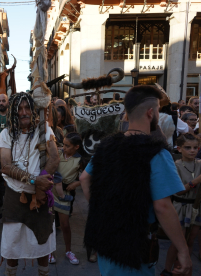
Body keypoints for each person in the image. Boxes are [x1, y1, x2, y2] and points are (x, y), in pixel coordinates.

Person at [80, 85, 192, 276]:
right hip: (133, 245)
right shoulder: (156, 152)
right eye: (157, 109)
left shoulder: (107, 145)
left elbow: (84, 178)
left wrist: (105, 210)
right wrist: (183, 250)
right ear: (150, 113)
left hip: (105, 240)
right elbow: (163, 207)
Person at [0, 92, 59, 276]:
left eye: (27, 108)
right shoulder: (6, 134)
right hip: (15, 197)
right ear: (13, 112)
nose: (23, 112)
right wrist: (34, 180)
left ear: (33, 110)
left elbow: (54, 158)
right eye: (19, 109)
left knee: (43, 240)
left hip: (39, 198)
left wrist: (41, 183)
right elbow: (6, 167)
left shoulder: (44, 129)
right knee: (12, 243)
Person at [162, 133, 201, 276]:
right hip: (180, 206)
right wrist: (195, 182)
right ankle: (167, 269)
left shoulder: (200, 164)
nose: (192, 150)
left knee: (190, 240)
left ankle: (186, 270)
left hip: (196, 207)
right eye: (188, 147)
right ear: (179, 149)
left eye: (195, 147)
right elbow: (177, 191)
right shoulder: (175, 166)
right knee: (178, 241)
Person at [49, 133, 84, 265]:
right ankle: (50, 252)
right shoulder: (58, 154)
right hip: (52, 191)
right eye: (63, 144)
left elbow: (87, 175)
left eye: (67, 146)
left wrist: (77, 183)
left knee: (65, 225)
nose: (63, 147)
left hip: (65, 194)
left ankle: (68, 251)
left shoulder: (79, 160)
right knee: (50, 223)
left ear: (76, 147)